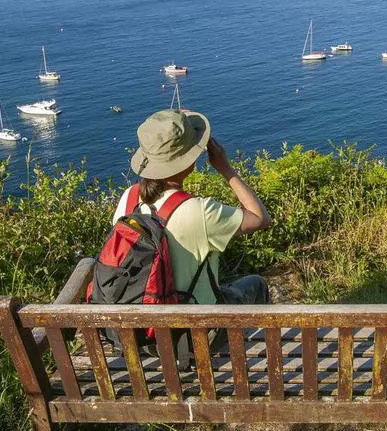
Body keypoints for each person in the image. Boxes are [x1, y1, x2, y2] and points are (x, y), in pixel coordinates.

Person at [113, 109, 271, 338]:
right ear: (189, 159)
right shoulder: (199, 211)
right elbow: (260, 218)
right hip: (194, 337)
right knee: (255, 284)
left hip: (137, 333)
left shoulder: (128, 199)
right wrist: (225, 168)